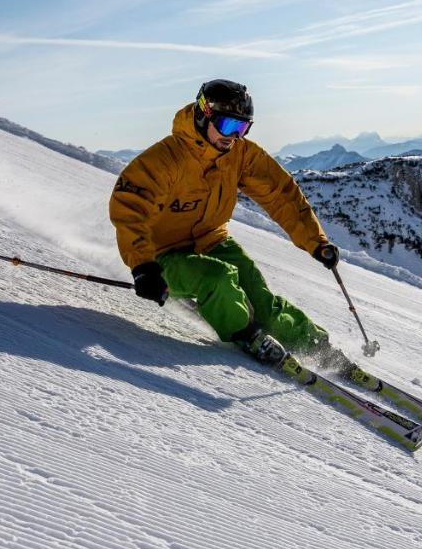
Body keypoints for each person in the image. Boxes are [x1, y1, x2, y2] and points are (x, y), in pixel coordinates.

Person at [109, 79, 343, 367]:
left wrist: (316, 242)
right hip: (164, 255)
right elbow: (129, 207)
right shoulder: (165, 159)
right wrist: (143, 267)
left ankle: (318, 346)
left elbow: (281, 194)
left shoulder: (240, 154)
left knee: (262, 301)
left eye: (242, 129)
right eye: (228, 126)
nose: (233, 137)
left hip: (212, 240)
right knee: (218, 279)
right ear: (203, 115)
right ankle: (245, 332)